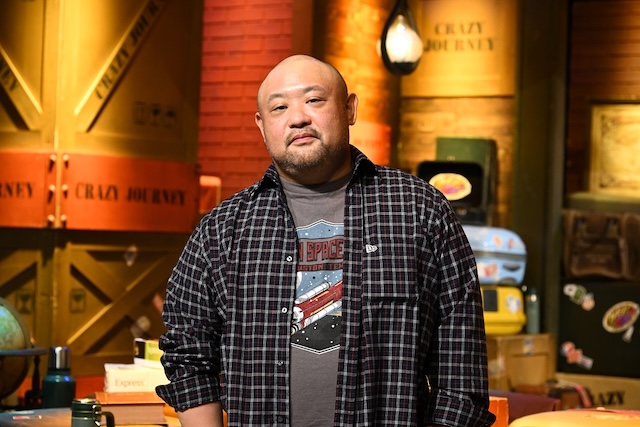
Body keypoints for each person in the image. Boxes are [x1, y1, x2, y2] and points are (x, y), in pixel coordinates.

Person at [156, 54, 496, 427]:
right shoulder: (223, 229)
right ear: (261, 125)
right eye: (279, 107)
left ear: (349, 109)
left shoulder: (419, 211)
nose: (297, 117)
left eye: (314, 100)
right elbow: (188, 355)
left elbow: (461, 371)